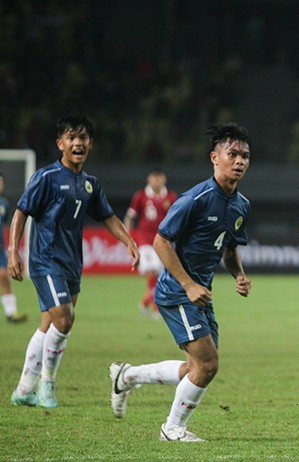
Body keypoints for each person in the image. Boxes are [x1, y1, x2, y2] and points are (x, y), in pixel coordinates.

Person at [108, 123, 252, 443]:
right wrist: (187, 284)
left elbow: (229, 249)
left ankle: (128, 376)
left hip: (202, 293)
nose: (239, 161)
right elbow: (161, 241)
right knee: (208, 363)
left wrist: (238, 274)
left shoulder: (241, 205)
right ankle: (172, 429)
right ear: (215, 157)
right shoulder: (196, 198)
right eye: (233, 154)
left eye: (245, 155)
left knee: (194, 368)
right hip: (178, 290)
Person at [9, 114, 140, 408]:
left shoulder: (90, 184)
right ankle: (47, 384)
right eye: (71, 138)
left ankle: (23, 389)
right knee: (65, 320)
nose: (78, 143)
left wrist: (128, 241)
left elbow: (107, 216)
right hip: (46, 261)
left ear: (90, 144)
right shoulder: (46, 177)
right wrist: (13, 251)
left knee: (49, 325)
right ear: (60, 144)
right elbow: (21, 211)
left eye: (83, 138)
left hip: (71, 264)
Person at [123, 168, 178, 318]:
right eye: (154, 178)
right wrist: (128, 239)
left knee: (161, 273)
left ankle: (146, 302)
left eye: (159, 178)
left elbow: (176, 217)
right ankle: (156, 306)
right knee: (153, 269)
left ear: (164, 180)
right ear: (149, 180)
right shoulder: (140, 196)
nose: (157, 181)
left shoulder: (171, 197)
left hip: (163, 240)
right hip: (145, 239)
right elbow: (129, 217)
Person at [0, 172, 27, 323]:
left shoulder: (4, 204)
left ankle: (11, 313)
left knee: (5, 278)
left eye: (1, 182)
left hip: (0, 249)